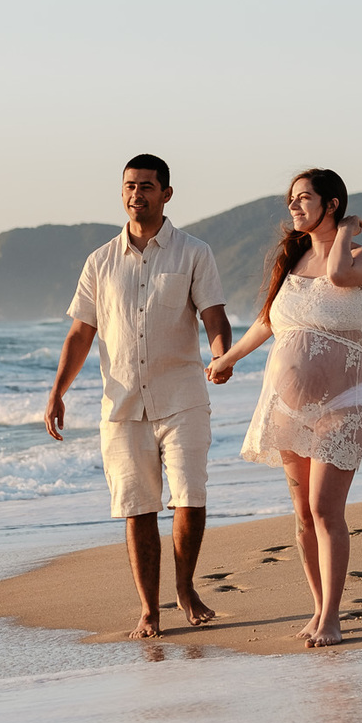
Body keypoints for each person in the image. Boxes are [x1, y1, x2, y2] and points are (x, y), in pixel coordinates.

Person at [45, 154, 232, 639]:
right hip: (122, 406)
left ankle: (185, 588)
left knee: (190, 498)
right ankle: (150, 609)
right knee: (137, 506)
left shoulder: (194, 252)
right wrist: (58, 390)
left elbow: (214, 315)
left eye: (146, 186)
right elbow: (80, 333)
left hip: (183, 396)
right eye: (129, 186)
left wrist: (221, 355)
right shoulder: (100, 261)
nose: (136, 195)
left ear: (166, 193)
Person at [206, 169, 362, 648]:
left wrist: (344, 231)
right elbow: (268, 323)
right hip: (286, 407)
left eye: (304, 199)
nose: (295, 207)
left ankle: (332, 617)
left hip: (341, 406)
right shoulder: (294, 260)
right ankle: (317, 606)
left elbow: (339, 276)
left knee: (326, 510)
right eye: (291, 201)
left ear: (332, 203)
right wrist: (227, 359)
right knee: (303, 515)